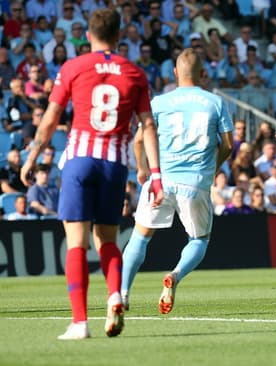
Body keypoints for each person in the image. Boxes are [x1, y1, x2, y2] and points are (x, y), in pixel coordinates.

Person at [19, 9, 164, 340]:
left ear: (87, 34)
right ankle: (115, 294)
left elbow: (52, 117)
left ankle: (80, 322)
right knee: (108, 240)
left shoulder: (73, 67)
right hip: (114, 163)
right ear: (119, 35)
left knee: (76, 242)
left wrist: (33, 156)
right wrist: (156, 176)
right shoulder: (135, 73)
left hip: (80, 159)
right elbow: (149, 126)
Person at [120, 48, 233, 316]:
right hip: (195, 183)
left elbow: (138, 140)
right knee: (199, 239)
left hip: (162, 179)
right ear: (203, 74)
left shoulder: (160, 102)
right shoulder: (215, 102)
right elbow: (228, 144)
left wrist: (141, 168)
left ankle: (122, 293)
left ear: (174, 73)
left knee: (140, 237)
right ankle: (175, 274)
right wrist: (212, 169)